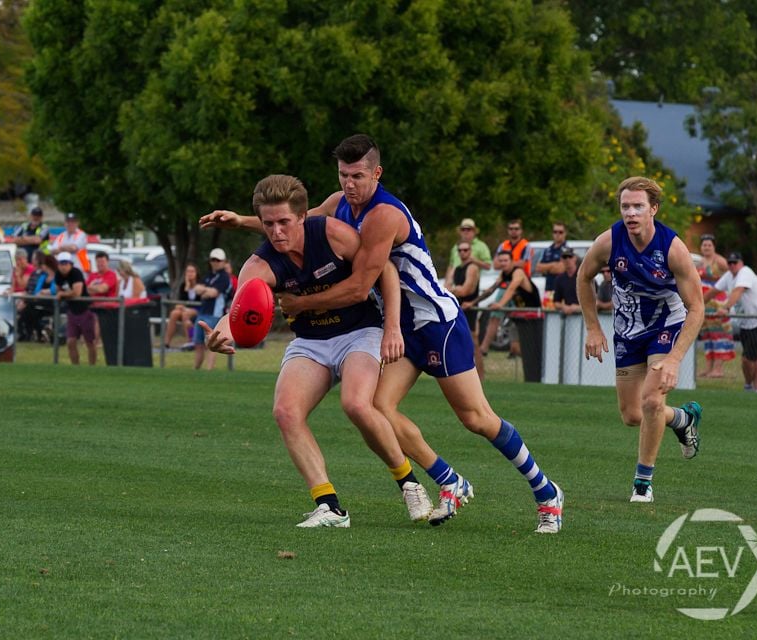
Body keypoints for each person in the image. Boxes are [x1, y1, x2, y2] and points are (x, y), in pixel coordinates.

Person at [201, 134, 564, 533]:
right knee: (375, 408)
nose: (348, 185)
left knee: (476, 418)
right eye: (343, 175)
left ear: (377, 173)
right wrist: (243, 220)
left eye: (357, 176)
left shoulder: (383, 216)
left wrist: (300, 304)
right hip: (400, 325)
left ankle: (546, 491)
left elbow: (359, 287)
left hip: (435, 323)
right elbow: (296, 222)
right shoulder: (340, 204)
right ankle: (449, 481)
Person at [201, 174, 436, 527]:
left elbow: (384, 269)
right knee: (285, 411)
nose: (277, 232)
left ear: (301, 217)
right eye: (268, 225)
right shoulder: (259, 264)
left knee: (357, 403)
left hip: (361, 331)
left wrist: (391, 327)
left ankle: (409, 483)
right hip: (311, 342)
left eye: (284, 222)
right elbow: (237, 310)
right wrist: (219, 334)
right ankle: (329, 506)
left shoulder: (330, 233)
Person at [577, 176, 704, 504]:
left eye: (638, 206)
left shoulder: (672, 248)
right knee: (633, 415)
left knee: (651, 401)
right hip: (628, 330)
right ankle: (683, 418)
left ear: (654, 210)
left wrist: (675, 358)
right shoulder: (608, 241)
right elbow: (583, 276)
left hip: (666, 324)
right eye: (625, 207)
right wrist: (593, 327)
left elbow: (697, 308)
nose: (630, 213)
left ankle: (642, 484)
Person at [703, 252, 757, 393]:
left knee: (747, 359)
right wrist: (696, 304)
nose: (732, 265)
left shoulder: (745, 272)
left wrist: (726, 308)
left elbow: (738, 291)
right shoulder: (729, 275)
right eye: (730, 263)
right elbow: (713, 291)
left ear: (741, 263)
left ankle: (747, 386)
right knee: (754, 357)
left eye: (735, 262)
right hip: (746, 323)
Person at [470, 250, 544, 382]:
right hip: (519, 317)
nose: (503, 263)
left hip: (532, 318)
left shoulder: (518, 272)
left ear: (512, 262)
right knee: (515, 348)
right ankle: (530, 377)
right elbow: (491, 290)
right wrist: (473, 302)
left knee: (533, 351)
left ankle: (536, 378)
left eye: (506, 261)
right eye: (501, 261)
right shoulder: (504, 274)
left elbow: (511, 289)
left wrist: (500, 304)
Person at [696, 234, 734, 378]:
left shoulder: (721, 261)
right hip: (704, 305)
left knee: (719, 336)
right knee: (708, 336)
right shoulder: (700, 263)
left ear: (714, 246)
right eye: (704, 245)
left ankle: (718, 369)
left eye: (709, 245)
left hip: (718, 304)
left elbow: (733, 275)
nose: (706, 247)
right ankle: (709, 368)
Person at [446, 241, 484, 380]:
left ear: (470, 251)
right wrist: (455, 290)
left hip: (469, 308)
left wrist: (453, 290)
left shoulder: (472, 267)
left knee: (474, 342)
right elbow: (447, 287)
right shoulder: (457, 268)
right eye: (460, 250)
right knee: (458, 342)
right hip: (458, 308)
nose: (463, 253)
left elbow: (466, 290)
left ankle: (481, 377)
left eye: (466, 250)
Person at [193, 248, 232, 370]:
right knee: (198, 343)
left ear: (224, 261)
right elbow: (196, 289)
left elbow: (214, 293)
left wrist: (205, 291)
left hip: (215, 315)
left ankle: (209, 370)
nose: (215, 262)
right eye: (213, 259)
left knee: (211, 344)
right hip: (203, 312)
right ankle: (196, 370)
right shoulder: (209, 276)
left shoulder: (224, 277)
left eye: (218, 260)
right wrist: (206, 291)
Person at [55, 252, 96, 365]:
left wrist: (62, 294)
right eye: (61, 263)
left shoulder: (76, 273)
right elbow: (58, 290)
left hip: (85, 310)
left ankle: (92, 367)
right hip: (72, 311)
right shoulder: (58, 275)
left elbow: (77, 293)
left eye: (66, 263)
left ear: (70, 264)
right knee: (71, 341)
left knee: (89, 342)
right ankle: (75, 366)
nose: (63, 266)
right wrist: (61, 293)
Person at [19, 253, 58, 342]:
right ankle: (33, 333)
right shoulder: (43, 276)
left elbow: (53, 290)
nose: (42, 266)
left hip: (51, 303)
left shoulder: (57, 276)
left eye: (43, 264)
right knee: (29, 311)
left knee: (28, 306)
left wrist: (44, 292)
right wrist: (41, 293)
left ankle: (31, 333)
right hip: (40, 301)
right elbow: (37, 290)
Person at [444, 218, 491, 286]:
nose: (466, 232)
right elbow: (451, 266)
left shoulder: (481, 246)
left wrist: (474, 260)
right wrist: (446, 283)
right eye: (463, 229)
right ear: (460, 232)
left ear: (474, 231)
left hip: (471, 285)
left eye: (469, 229)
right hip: (454, 284)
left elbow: (488, 266)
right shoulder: (455, 247)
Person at [164, 263, 200, 348]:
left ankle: (190, 342)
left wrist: (184, 307)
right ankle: (167, 342)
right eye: (188, 271)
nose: (190, 274)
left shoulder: (200, 285)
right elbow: (181, 302)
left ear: (196, 273)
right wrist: (187, 287)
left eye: (192, 271)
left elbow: (200, 301)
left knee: (185, 314)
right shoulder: (183, 286)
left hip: (198, 309)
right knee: (174, 313)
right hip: (185, 309)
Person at [535, 221, 569, 306]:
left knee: (559, 316)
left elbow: (561, 269)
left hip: (562, 290)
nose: (557, 234)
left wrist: (547, 268)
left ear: (565, 233)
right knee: (548, 315)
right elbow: (538, 268)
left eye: (560, 232)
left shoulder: (567, 250)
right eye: (555, 232)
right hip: (548, 289)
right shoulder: (547, 250)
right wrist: (553, 265)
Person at [551, 249, 582, 315]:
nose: (567, 259)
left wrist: (577, 308)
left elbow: (595, 301)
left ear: (575, 258)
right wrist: (563, 307)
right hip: (568, 316)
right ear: (561, 260)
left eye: (570, 257)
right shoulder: (559, 279)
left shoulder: (583, 277)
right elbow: (556, 302)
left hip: (584, 316)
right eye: (564, 257)